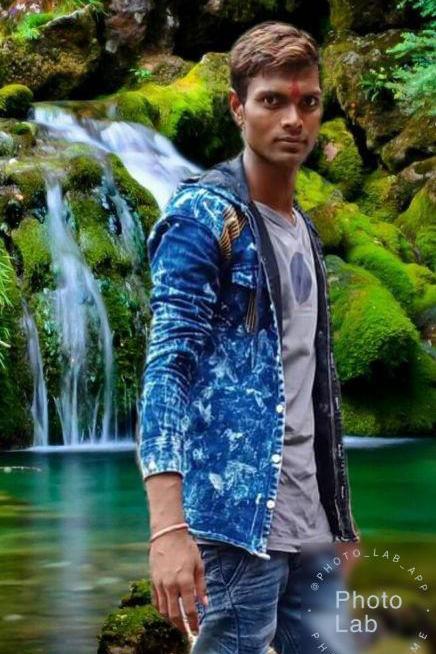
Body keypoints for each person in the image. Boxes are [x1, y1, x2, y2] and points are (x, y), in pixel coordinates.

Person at [136, 20, 360, 653]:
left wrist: (342, 523)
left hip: (309, 523)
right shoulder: (204, 217)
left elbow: (314, 383)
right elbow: (167, 368)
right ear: (238, 108)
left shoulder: (304, 230)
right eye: (272, 101)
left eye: (308, 102)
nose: (293, 119)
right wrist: (167, 528)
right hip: (234, 521)